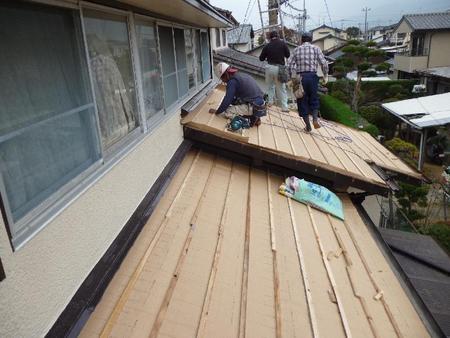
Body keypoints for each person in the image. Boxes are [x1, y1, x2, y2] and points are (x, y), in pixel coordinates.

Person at [287, 31, 328, 132]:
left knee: (301, 101)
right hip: (313, 77)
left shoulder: (296, 50)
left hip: (300, 78)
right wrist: (325, 75)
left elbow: (288, 65)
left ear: (301, 40)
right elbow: (324, 63)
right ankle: (315, 119)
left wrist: (291, 78)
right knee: (314, 99)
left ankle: (308, 126)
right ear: (311, 40)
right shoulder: (316, 49)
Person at [209, 62, 266, 127]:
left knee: (228, 112)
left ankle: (247, 121)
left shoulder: (232, 82)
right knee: (234, 101)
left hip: (253, 106)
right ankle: (254, 116)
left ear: (225, 75)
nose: (223, 81)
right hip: (260, 105)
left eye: (222, 79)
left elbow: (227, 100)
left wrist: (217, 112)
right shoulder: (240, 76)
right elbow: (233, 99)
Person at [259, 31, 290, 112]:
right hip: (279, 68)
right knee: (281, 88)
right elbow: (288, 55)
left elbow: (261, 58)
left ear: (270, 37)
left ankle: (270, 102)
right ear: (278, 36)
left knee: (270, 87)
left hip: (269, 68)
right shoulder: (283, 44)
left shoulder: (267, 45)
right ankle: (284, 107)